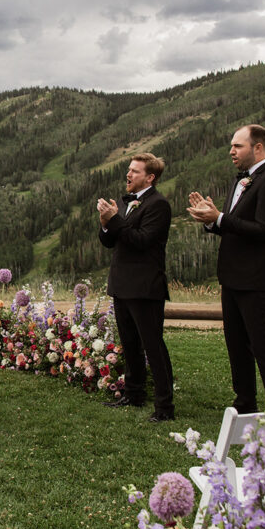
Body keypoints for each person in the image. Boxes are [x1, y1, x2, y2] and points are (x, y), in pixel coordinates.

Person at [187, 124, 265, 412]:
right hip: (232, 278)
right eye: (232, 146)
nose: (231, 151)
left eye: (238, 146)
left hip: (258, 281)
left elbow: (263, 229)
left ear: (258, 147)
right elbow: (237, 228)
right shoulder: (240, 181)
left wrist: (220, 217)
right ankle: (245, 404)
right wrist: (211, 221)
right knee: (236, 347)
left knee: (264, 349)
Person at [97, 153, 175, 422]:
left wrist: (115, 220)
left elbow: (142, 241)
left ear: (150, 177)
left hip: (145, 286)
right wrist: (105, 224)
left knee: (153, 345)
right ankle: (134, 393)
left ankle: (165, 406)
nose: (128, 175)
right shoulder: (124, 202)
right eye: (128, 170)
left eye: (135, 171)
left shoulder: (159, 205)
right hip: (121, 283)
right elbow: (112, 242)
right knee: (129, 344)